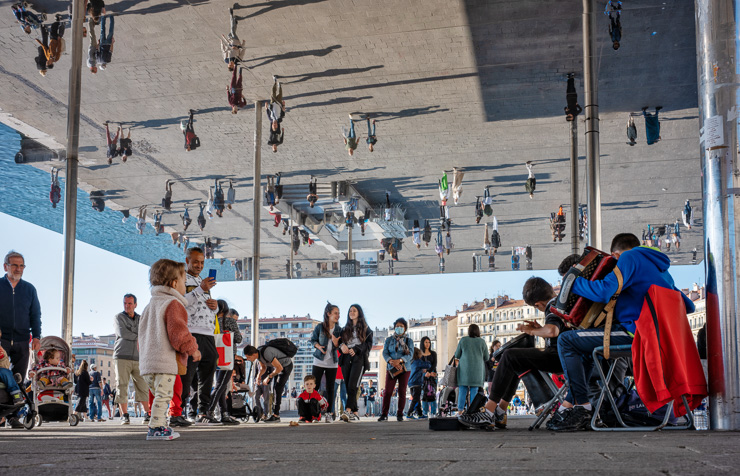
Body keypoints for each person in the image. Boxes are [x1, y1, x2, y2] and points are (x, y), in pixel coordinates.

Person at [550, 233, 696, 431]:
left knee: (566, 341)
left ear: (614, 256)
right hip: (661, 338)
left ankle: (582, 408)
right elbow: (688, 305)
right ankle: (571, 404)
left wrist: (572, 281)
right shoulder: (659, 268)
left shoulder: (628, 258)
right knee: (581, 347)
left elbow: (603, 291)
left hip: (638, 333)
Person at [459, 278, 567, 430]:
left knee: (509, 355)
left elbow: (552, 331)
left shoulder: (552, 307)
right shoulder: (560, 303)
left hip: (558, 358)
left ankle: (489, 411)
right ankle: (500, 410)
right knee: (517, 359)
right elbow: (556, 332)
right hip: (563, 355)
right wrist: (540, 328)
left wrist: (531, 330)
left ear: (538, 304)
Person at [139, 258, 201, 441]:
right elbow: (179, 333)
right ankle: (156, 428)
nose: (185, 286)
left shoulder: (149, 306)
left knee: (159, 396)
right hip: (164, 362)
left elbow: (140, 336)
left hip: (147, 363)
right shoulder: (174, 304)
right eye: (184, 282)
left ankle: (159, 424)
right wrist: (193, 349)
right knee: (164, 396)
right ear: (174, 284)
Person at [0, 251, 41, 424]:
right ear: (5, 266)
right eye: (15, 265)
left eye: (21, 265)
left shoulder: (29, 289)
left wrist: (37, 336)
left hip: (23, 340)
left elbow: (35, 314)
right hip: (1, 340)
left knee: (18, 377)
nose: (18, 269)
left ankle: (13, 415)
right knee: (2, 376)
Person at [181, 247, 219, 424]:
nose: (199, 265)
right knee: (187, 375)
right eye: (196, 261)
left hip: (208, 333)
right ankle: (180, 411)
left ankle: (203, 411)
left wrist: (215, 306)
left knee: (207, 376)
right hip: (191, 332)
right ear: (187, 260)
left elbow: (203, 305)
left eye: (202, 262)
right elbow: (181, 303)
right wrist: (200, 289)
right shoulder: (180, 277)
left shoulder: (202, 281)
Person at [113, 293, 150, 424]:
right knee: (121, 385)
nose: (127, 306)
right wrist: (140, 335)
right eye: (125, 303)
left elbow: (147, 332)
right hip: (121, 356)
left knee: (143, 385)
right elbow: (123, 333)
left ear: (135, 304)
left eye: (129, 303)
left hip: (139, 357)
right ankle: (125, 415)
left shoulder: (141, 318)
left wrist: (141, 335)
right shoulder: (118, 317)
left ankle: (147, 413)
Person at [208, 301, 243, 424]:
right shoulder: (230, 322)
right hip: (227, 356)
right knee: (221, 385)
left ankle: (223, 414)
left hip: (214, 355)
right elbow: (238, 339)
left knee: (220, 385)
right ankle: (208, 411)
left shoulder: (211, 320)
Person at [339, 304, 373, 422]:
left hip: (359, 359)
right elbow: (339, 343)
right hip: (345, 359)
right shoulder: (344, 329)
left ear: (359, 313)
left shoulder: (366, 329)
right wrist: (342, 346)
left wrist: (357, 349)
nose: (351, 312)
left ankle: (347, 410)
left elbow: (368, 345)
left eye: (354, 310)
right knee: (349, 387)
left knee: (353, 385)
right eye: (350, 311)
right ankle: (355, 411)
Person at [243, 342, 293, 423]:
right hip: (278, 367)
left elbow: (279, 368)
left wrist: (268, 377)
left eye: (248, 357)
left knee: (278, 389)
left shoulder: (266, 353)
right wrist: (259, 376)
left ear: (254, 354)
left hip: (286, 366)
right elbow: (263, 367)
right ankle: (274, 414)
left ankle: (276, 416)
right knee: (275, 389)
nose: (248, 359)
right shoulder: (258, 355)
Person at [310, 302, 341, 421]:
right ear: (328, 314)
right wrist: (318, 346)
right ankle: (314, 413)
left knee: (330, 388)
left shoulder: (339, 329)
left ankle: (329, 413)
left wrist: (336, 343)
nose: (338, 316)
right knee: (315, 387)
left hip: (332, 362)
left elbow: (340, 345)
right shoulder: (319, 327)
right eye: (335, 313)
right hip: (319, 360)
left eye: (339, 313)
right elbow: (313, 340)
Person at [378, 318, 413, 421]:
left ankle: (400, 414)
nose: (399, 328)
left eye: (401, 326)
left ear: (405, 328)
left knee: (402, 391)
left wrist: (400, 360)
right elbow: (385, 352)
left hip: (405, 368)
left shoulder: (409, 341)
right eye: (397, 326)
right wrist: (391, 361)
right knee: (387, 391)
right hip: (391, 368)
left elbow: (410, 354)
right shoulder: (389, 340)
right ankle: (384, 414)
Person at [453, 324, 489, 414]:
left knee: (462, 390)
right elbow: (487, 357)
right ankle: (472, 412)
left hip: (464, 371)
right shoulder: (482, 342)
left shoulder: (463, 340)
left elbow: (457, 355)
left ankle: (460, 411)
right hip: (477, 371)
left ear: (469, 331)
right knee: (474, 391)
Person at [406, 348, 431, 419]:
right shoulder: (418, 361)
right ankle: (409, 413)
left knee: (416, 399)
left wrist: (421, 371)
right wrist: (426, 357)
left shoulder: (411, 362)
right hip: (416, 383)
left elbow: (415, 372)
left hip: (411, 383)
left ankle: (420, 414)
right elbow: (428, 365)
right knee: (416, 399)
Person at [419, 336, 438, 417]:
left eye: (429, 342)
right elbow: (418, 365)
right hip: (423, 376)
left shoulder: (433, 353)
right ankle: (425, 412)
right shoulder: (419, 354)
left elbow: (435, 364)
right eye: (426, 342)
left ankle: (433, 412)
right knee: (424, 394)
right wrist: (425, 373)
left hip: (433, 375)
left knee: (432, 393)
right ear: (422, 343)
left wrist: (429, 372)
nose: (428, 344)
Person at [266, 76, 286, 152]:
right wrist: (283, 131)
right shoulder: (279, 142)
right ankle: (279, 86)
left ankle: (274, 82)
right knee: (280, 95)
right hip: (278, 108)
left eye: (273, 148)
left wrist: (266, 108)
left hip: (272, 107)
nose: (274, 147)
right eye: (275, 148)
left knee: (273, 94)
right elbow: (281, 138)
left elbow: (268, 115)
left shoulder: (270, 142)